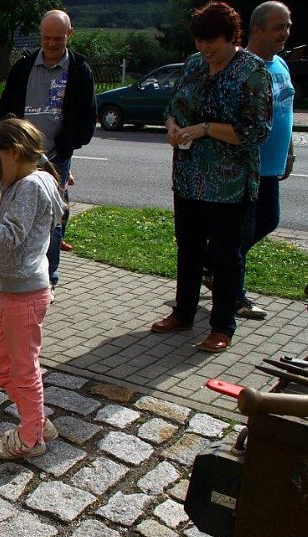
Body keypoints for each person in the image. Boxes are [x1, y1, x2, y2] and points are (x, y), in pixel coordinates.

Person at [151, 1, 272, 353]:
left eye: (213, 44)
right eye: (201, 42)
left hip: (230, 186)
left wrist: (205, 129)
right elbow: (172, 107)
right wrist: (173, 127)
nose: (206, 50)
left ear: (232, 37)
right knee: (188, 249)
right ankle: (183, 313)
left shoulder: (252, 71)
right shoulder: (193, 64)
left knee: (225, 256)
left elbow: (255, 132)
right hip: (189, 179)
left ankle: (222, 326)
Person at [0, 118, 65, 459]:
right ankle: (36, 418)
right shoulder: (24, 181)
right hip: (12, 292)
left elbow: (11, 236)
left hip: (25, 294)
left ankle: (31, 438)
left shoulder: (29, 186)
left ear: (12, 153)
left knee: (24, 368)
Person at [0, 9, 96, 292]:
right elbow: (6, 110)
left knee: (51, 220)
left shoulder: (79, 69)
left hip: (55, 158)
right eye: (46, 38)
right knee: (11, 216)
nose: (51, 44)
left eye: (58, 38)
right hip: (20, 158)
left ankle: (47, 279)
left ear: (69, 35)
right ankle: (6, 279)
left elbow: (88, 117)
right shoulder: (24, 67)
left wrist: (67, 145)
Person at [232, 1, 295, 320]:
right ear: (256, 30)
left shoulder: (280, 65)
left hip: (272, 165)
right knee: (243, 232)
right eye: (278, 27)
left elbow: (286, 110)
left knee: (268, 221)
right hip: (247, 168)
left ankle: (213, 263)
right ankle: (234, 294)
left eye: (287, 26)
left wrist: (290, 152)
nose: (285, 33)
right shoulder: (243, 67)